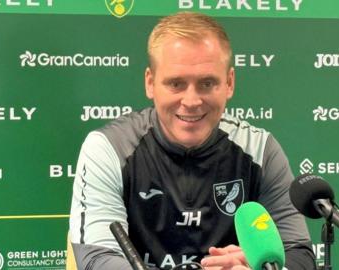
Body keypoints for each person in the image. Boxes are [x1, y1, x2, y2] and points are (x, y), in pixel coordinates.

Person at [69, 11, 316, 270]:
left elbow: (298, 254)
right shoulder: (108, 148)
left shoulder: (260, 150)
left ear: (229, 83)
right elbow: (98, 258)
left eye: (207, 83)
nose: (191, 101)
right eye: (175, 84)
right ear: (150, 83)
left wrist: (262, 267)